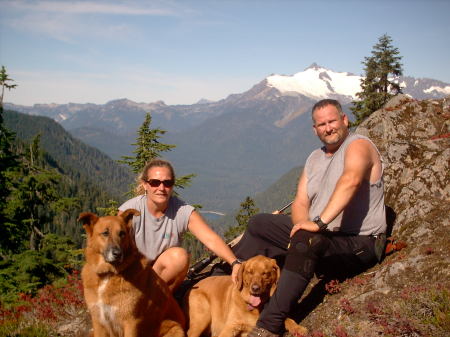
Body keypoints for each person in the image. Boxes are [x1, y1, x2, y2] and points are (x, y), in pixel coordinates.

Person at [231, 99, 387, 337]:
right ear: (315, 129)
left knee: (307, 238)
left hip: (359, 242)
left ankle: (267, 326)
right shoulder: (314, 158)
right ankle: (229, 285)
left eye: (332, 121)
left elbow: (351, 180)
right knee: (259, 224)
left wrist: (317, 224)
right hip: (323, 236)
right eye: (321, 124)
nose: (328, 128)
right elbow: (301, 201)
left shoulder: (358, 146)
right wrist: (300, 227)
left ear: (344, 120)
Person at [118, 158, 241, 292]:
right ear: (145, 184)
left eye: (167, 183)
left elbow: (210, 239)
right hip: (132, 273)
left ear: (172, 185)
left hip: (159, 276)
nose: (161, 188)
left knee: (179, 256)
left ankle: (155, 301)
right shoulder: (129, 211)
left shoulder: (182, 211)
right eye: (155, 182)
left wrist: (235, 263)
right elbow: (115, 247)